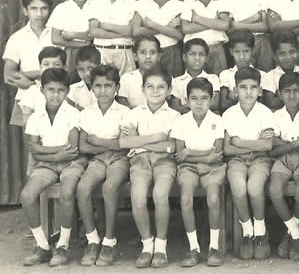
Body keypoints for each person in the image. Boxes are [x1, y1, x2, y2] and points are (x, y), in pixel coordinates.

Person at [20, 68, 86, 266]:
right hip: (47, 164)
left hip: (72, 163)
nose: (55, 95)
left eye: (60, 90)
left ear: (67, 91)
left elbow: (72, 149)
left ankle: (63, 246)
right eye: (50, 90)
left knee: (67, 193)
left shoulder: (73, 114)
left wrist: (44, 150)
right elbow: (33, 151)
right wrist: (57, 154)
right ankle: (42, 246)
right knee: (27, 195)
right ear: (42, 90)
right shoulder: (36, 116)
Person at [119, 66, 180, 268]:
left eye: (161, 87)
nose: (155, 91)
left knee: (160, 194)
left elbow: (172, 147)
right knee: (137, 196)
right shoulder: (134, 113)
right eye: (150, 86)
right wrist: (157, 137)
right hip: (139, 161)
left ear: (169, 90)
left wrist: (139, 140)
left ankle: (161, 246)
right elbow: (124, 142)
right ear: (142, 89)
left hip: (165, 161)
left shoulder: (175, 116)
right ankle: (147, 245)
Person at [76, 65, 130, 266]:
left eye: (108, 85)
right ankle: (92, 239)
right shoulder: (87, 113)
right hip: (97, 160)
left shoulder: (124, 112)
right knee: (82, 188)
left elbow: (123, 145)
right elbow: (83, 146)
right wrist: (108, 144)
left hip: (119, 160)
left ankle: (109, 241)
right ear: (92, 87)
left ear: (117, 87)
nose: (103, 90)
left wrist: (97, 141)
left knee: (109, 187)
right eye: (98, 86)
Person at [172, 78, 227, 267]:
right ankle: (194, 248)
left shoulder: (217, 120)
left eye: (204, 98)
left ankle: (213, 247)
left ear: (212, 99)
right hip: (188, 167)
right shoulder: (181, 121)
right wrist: (204, 157)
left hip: (213, 168)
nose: (199, 103)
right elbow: (180, 155)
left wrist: (190, 152)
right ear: (186, 100)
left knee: (213, 199)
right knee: (185, 199)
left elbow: (217, 153)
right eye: (194, 98)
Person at [223, 67, 275, 260]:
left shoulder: (265, 112)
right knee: (238, 187)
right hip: (236, 161)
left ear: (260, 90)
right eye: (243, 87)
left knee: (254, 188)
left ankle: (260, 231)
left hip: (260, 160)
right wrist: (253, 145)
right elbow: (227, 150)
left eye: (253, 87)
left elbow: (267, 145)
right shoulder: (229, 114)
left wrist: (239, 142)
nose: (248, 92)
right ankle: (247, 231)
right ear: (235, 90)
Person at [269, 72, 299, 261]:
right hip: (282, 160)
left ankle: (291, 234)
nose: (292, 95)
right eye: (287, 91)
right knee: (274, 191)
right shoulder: (276, 116)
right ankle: (296, 233)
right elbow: (273, 150)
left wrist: (284, 143)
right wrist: (296, 143)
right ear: (279, 93)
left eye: (296, 91)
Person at [4, 0, 54, 130]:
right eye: (34, 8)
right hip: (26, 98)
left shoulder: (56, 35)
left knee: (55, 138)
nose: (39, 14)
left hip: (55, 96)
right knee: (31, 141)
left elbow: (64, 70)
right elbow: (8, 75)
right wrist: (34, 82)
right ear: (25, 11)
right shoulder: (17, 38)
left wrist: (28, 75)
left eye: (44, 8)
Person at [223, 0, 275, 71]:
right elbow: (229, 29)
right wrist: (254, 18)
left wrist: (237, 25)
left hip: (261, 43)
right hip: (239, 45)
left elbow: (265, 26)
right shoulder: (227, 0)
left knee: (264, 74)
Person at [133, 0, 185, 77]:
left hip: (171, 52)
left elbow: (179, 35)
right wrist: (168, 28)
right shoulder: (142, 3)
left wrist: (152, 25)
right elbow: (136, 31)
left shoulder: (179, 5)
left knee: (172, 84)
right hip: (148, 53)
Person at [87, 0, 138, 76]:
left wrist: (106, 26)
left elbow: (132, 31)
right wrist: (123, 32)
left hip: (124, 52)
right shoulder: (94, 4)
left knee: (126, 84)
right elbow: (94, 31)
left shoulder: (133, 4)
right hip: (101, 52)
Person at [180, 0, 230, 75]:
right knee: (194, 80)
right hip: (194, 51)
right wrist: (214, 22)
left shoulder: (222, 2)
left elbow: (225, 25)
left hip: (216, 49)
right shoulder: (188, 3)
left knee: (219, 80)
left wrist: (197, 19)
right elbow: (186, 28)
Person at [48, 0, 94, 72]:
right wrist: (82, 43)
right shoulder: (62, 8)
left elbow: (94, 34)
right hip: (69, 54)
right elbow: (55, 38)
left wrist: (73, 35)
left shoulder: (97, 6)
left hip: (93, 54)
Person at [262, 32, 299, 110]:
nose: (288, 57)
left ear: (298, 52)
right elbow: (271, 103)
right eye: (282, 54)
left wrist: (283, 96)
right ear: (274, 56)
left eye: (292, 52)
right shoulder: (269, 76)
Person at [218, 29, 270, 112]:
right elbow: (224, 105)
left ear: (253, 50)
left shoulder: (262, 75)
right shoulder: (225, 75)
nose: (241, 56)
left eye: (246, 51)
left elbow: (262, 104)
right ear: (231, 51)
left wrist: (235, 96)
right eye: (237, 52)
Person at [170, 38, 221, 114]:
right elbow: (176, 107)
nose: (197, 58)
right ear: (184, 57)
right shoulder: (176, 81)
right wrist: (201, 106)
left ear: (207, 58)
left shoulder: (213, 78)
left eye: (201, 54)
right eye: (192, 54)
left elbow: (214, 104)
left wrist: (188, 106)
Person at [117, 35, 161, 108]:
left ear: (159, 56)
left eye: (152, 52)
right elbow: (123, 106)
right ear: (135, 56)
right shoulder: (126, 78)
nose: (148, 56)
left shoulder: (166, 78)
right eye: (143, 52)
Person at [67, 46, 101, 110]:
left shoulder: (106, 89)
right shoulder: (73, 90)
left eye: (90, 68)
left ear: (100, 66)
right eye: (81, 69)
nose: (86, 73)